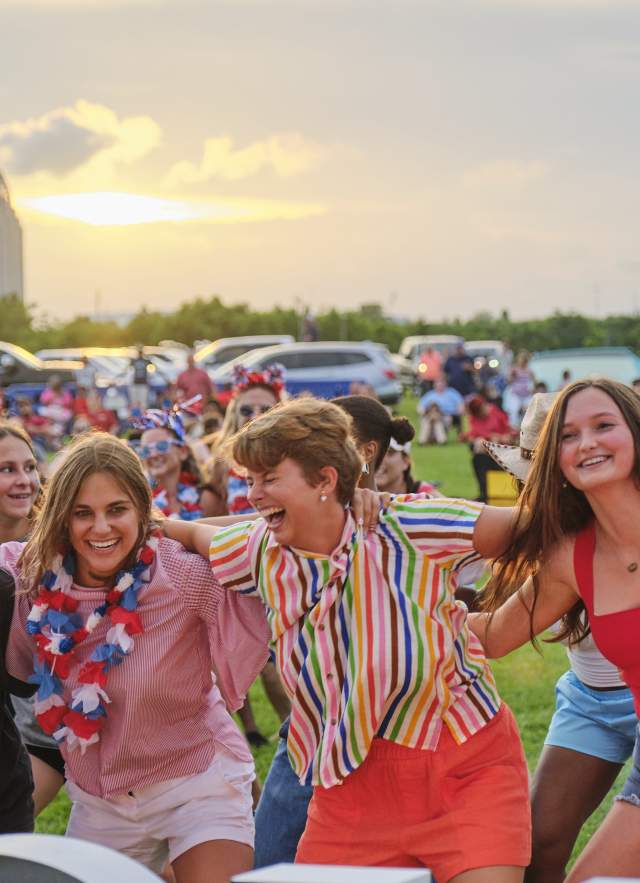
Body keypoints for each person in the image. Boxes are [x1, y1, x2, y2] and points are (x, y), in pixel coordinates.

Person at [165, 397, 531, 883]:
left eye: (269, 478)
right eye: (249, 479)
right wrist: (146, 524)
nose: (253, 494)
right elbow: (193, 535)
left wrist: (512, 619)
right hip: (348, 789)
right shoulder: (260, 549)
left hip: (464, 770)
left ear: (324, 479)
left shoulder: (406, 524)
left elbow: (533, 530)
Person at [5, 432, 271, 882]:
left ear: (143, 513)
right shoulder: (33, 575)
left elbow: (271, 544)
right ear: (60, 518)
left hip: (197, 783)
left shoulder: (179, 572)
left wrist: (185, 530)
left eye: (117, 510)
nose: (101, 528)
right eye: (82, 514)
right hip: (100, 799)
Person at [469, 378, 640, 883]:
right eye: (567, 436)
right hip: (594, 703)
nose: (586, 442)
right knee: (540, 845)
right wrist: (396, 604)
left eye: (603, 426)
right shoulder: (570, 555)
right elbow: (495, 636)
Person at [252, 394, 416, 867]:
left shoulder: (403, 520)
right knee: (271, 862)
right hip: (309, 729)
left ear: (359, 453)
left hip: (390, 738)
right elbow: (231, 532)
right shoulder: (282, 530)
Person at [136, 403, 219, 520]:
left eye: (162, 446)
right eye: (146, 450)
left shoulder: (206, 499)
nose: (153, 455)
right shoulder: (140, 502)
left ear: (183, 452)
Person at [460, 394, 514, 503]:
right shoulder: (473, 419)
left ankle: (485, 495)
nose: (482, 414)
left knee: (481, 444)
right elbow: (469, 435)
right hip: (486, 454)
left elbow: (510, 433)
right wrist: (489, 437)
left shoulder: (497, 413)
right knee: (479, 449)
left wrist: (499, 438)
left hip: (503, 451)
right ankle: (484, 494)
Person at [375, 438, 439, 497]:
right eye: (371, 451)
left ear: (405, 461)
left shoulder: (426, 496)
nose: (377, 459)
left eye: (389, 452)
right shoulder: (365, 497)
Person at [417, 377, 464, 443]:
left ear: (445, 384)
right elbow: (420, 407)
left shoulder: (452, 393)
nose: (440, 385)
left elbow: (461, 405)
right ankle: (439, 440)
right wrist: (424, 412)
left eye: (441, 383)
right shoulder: (429, 394)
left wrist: (458, 412)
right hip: (430, 414)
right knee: (429, 420)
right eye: (438, 383)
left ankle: (425, 440)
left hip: (447, 415)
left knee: (440, 420)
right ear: (434, 385)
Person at [502, 351, 534, 427]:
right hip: (515, 394)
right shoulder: (514, 369)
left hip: (526, 394)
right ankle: (513, 427)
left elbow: (533, 381)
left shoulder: (529, 370)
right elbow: (508, 382)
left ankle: (526, 426)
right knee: (514, 411)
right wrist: (512, 376)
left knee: (529, 411)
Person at [130, 346, 151, 411]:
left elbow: (152, 368)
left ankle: (143, 416)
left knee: (143, 402)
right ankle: (135, 415)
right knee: (134, 402)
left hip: (143, 383)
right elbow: (129, 370)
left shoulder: (146, 361)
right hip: (135, 382)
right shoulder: (133, 361)